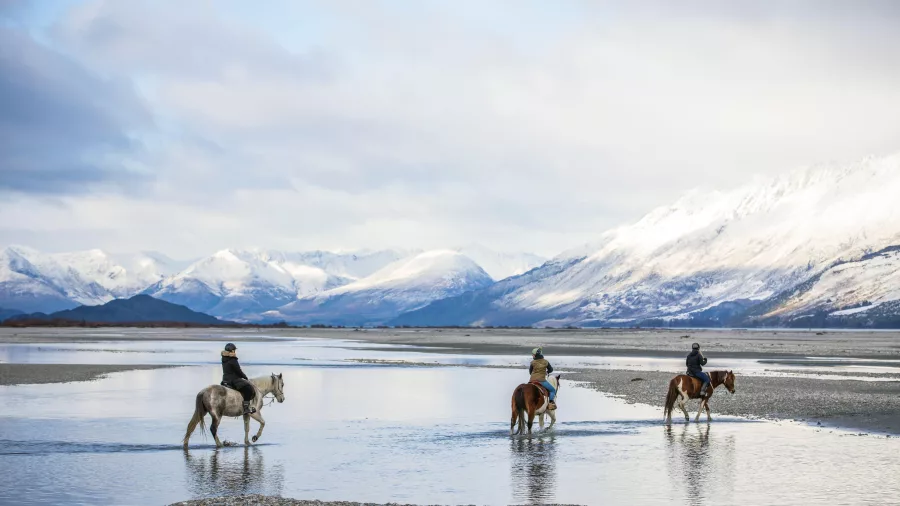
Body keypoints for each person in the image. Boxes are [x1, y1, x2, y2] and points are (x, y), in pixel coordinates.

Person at [221, 343, 256, 415]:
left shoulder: (223, 358)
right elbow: (238, 371)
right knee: (248, 389)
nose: (235, 352)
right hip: (233, 380)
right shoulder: (233, 360)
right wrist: (245, 377)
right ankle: (246, 408)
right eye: (234, 350)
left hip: (225, 380)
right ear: (232, 351)